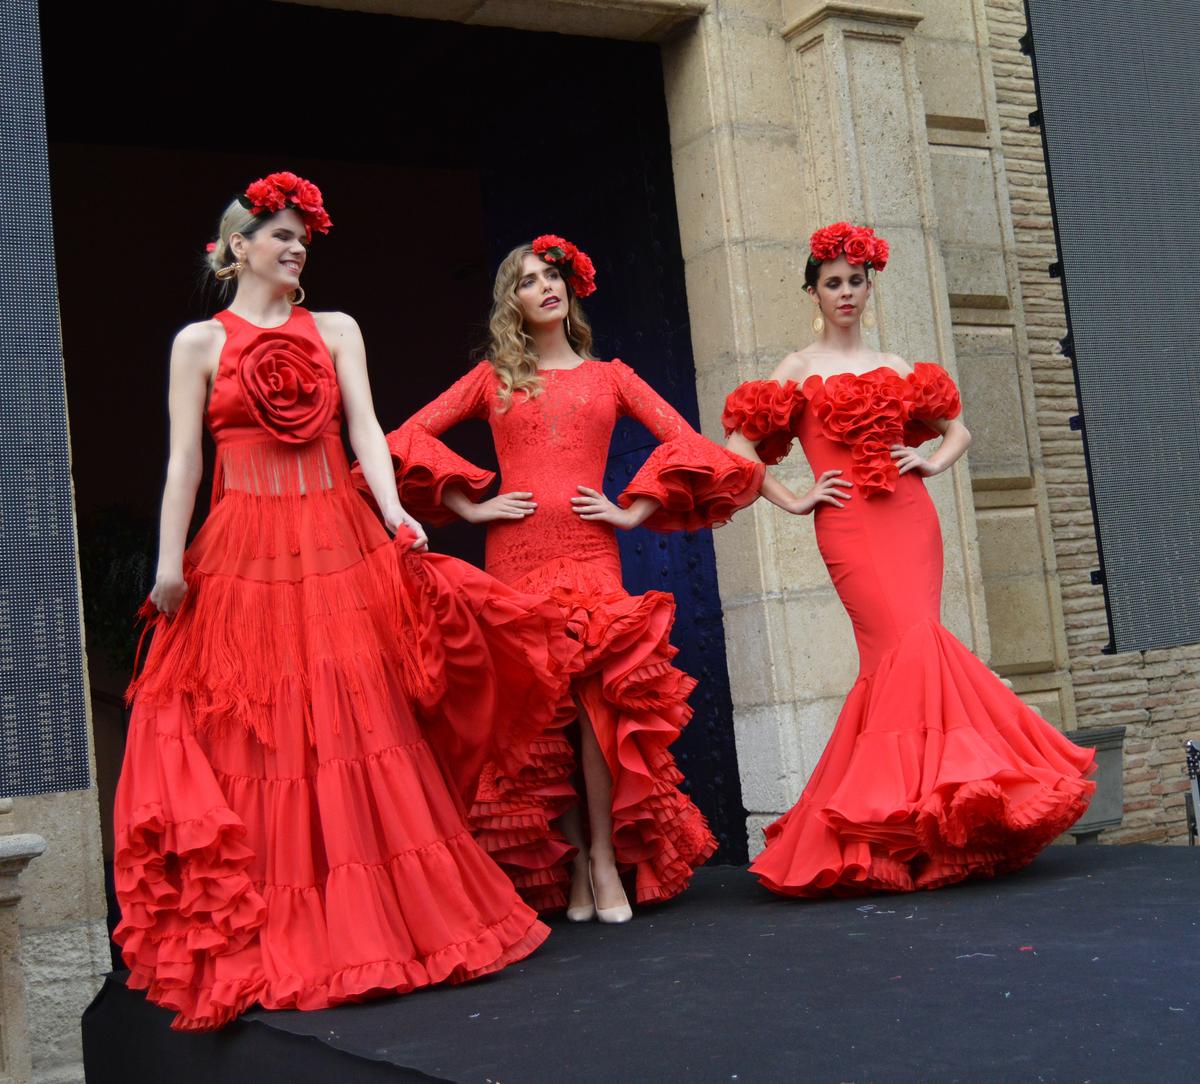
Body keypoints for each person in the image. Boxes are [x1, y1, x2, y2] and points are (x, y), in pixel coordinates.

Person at [112, 174, 573, 1030]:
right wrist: (168, 563)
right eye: (278, 235)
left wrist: (395, 511)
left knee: (361, 716)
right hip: (244, 549)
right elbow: (185, 463)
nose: (294, 248)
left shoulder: (336, 330)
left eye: (303, 239)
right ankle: (291, 928)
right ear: (236, 247)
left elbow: (367, 428)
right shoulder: (198, 344)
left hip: (335, 538)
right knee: (267, 725)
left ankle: (399, 925)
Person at [378, 235, 762, 922]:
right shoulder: (493, 378)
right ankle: (575, 861)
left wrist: (629, 508)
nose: (544, 286)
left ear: (570, 288)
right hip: (515, 555)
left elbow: (685, 442)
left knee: (594, 706)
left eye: (552, 275)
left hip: (590, 552)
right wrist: (472, 504)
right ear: (514, 303)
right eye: (527, 281)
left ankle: (605, 859)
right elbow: (401, 441)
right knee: (538, 710)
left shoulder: (611, 376)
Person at [722, 221, 1095, 896]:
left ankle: (926, 820)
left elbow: (960, 431)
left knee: (916, 653)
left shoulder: (898, 368)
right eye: (832, 283)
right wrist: (796, 499)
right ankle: (906, 817)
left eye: (855, 282)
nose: (845, 293)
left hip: (910, 519)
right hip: (849, 529)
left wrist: (927, 459)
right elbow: (736, 448)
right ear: (813, 290)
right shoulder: (797, 369)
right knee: (902, 651)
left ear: (869, 288)